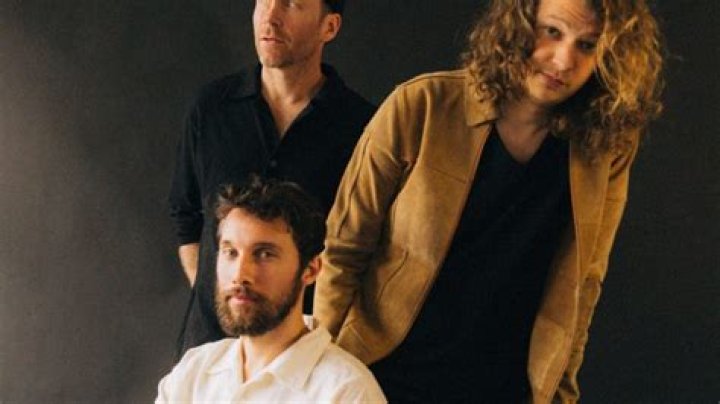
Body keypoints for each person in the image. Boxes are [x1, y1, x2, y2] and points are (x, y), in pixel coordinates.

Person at [314, 0, 663, 402]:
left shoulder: (604, 147)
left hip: (504, 388)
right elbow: (343, 250)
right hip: (382, 378)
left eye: (587, 45)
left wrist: (561, 394)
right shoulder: (421, 105)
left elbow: (584, 285)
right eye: (552, 32)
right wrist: (323, 374)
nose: (564, 60)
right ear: (518, 24)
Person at [168, 0, 375, 356]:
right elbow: (185, 219)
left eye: (292, 4)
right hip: (209, 348)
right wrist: (233, 305)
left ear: (329, 26)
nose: (271, 16)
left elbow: (363, 248)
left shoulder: (362, 128)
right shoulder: (212, 107)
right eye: (263, 1)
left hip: (305, 359)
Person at [157, 177, 386, 403]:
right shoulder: (193, 372)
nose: (240, 275)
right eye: (231, 252)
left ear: (310, 270)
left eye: (264, 254)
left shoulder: (347, 391)